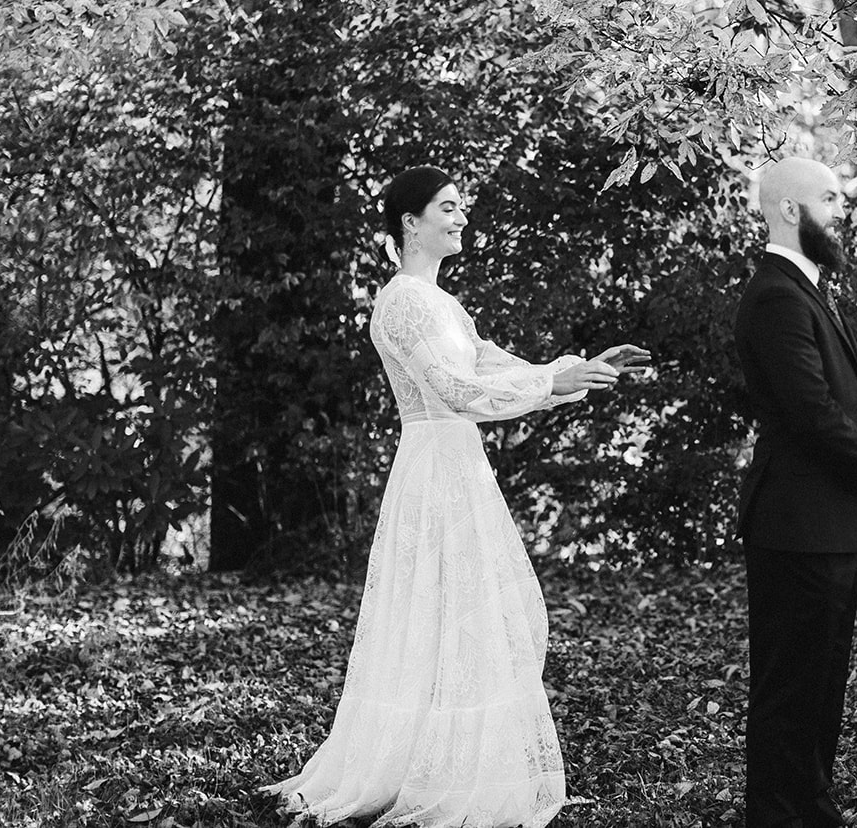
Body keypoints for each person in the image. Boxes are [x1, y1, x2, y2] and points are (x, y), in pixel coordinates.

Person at [266, 165, 649, 828]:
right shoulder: (404, 301)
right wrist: (555, 386)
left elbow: (488, 361)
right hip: (435, 465)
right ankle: (417, 769)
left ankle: (455, 762)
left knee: (464, 619)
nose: (462, 216)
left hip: (458, 465)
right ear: (410, 222)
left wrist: (572, 369)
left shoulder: (443, 303)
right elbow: (457, 390)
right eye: (447, 206)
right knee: (436, 617)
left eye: (461, 205)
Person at [732, 156, 857, 828]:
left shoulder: (809, 287)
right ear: (789, 209)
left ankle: (811, 807)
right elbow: (811, 410)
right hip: (795, 522)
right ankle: (778, 815)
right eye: (830, 199)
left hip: (828, 522)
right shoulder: (775, 293)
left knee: (823, 682)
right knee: (790, 686)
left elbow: (852, 389)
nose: (841, 211)